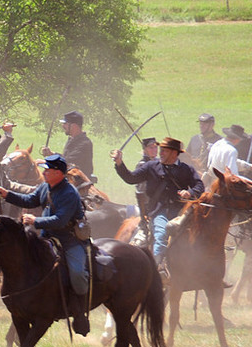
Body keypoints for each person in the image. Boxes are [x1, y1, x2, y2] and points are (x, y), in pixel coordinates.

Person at [0, 154, 91, 335]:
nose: (44, 172)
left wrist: (35, 220)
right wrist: (6, 195)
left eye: (48, 169)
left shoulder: (70, 193)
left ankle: (79, 311)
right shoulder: (46, 186)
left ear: (58, 173)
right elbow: (30, 200)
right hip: (47, 237)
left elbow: (61, 220)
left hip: (69, 240)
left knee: (78, 273)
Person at [111, 137, 204, 271]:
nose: (160, 153)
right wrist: (119, 163)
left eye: (164, 151)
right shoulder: (151, 167)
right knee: (161, 234)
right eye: (161, 150)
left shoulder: (186, 169)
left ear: (174, 153)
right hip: (160, 211)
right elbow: (130, 178)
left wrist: (189, 192)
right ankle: (157, 270)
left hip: (182, 212)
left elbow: (199, 186)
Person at [42, 110, 93, 179]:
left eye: (65, 123)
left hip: (78, 181)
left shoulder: (85, 143)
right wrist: (51, 154)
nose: (63, 126)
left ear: (74, 126)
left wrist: (46, 161)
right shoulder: (72, 139)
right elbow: (65, 158)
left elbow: (69, 161)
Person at [130, 138, 160, 248]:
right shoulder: (142, 165)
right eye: (151, 147)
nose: (154, 149)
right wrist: (145, 213)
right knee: (143, 238)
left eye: (155, 147)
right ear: (145, 150)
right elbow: (141, 192)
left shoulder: (159, 162)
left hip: (160, 205)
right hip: (148, 207)